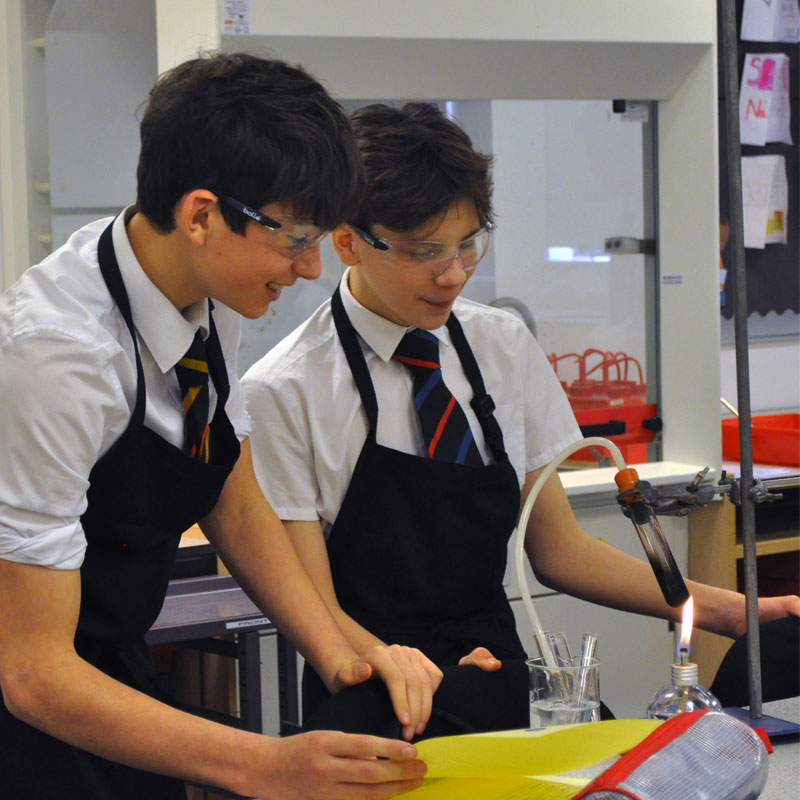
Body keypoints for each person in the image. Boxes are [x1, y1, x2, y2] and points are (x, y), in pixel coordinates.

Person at [242, 101, 800, 738]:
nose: (453, 274)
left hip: (503, 682)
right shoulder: (284, 390)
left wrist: (731, 611)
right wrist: (403, 668)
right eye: (425, 251)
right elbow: (312, 606)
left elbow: (558, 552)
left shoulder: (501, 345)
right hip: (375, 695)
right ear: (347, 239)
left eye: (468, 245)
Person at [0, 54, 431, 799]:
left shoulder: (201, 293)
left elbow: (228, 491)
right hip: (30, 712)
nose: (308, 270)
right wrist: (263, 764)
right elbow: (32, 673)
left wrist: (346, 657)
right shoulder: (58, 358)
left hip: (108, 669)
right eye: (295, 239)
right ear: (201, 215)